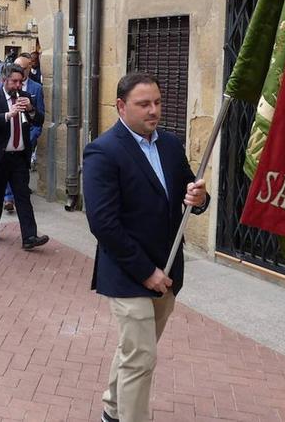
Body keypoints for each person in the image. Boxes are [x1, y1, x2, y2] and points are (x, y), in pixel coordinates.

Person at [82, 72, 209, 422]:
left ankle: (111, 406)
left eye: (157, 102)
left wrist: (199, 198)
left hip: (167, 270)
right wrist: (145, 272)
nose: (153, 111)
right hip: (127, 272)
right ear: (121, 107)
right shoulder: (103, 151)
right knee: (142, 358)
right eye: (143, 104)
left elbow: (190, 196)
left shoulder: (169, 144)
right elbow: (103, 223)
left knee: (133, 349)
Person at [0, 63, 48, 250]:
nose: (18, 86)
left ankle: (29, 237)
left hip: (18, 157)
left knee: (23, 196)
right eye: (14, 82)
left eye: (20, 82)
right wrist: (8, 115)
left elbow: (39, 119)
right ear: (4, 80)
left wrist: (31, 108)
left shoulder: (25, 97)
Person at [3, 54, 46, 211]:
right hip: (8, 138)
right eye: (16, 66)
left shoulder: (36, 88)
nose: (18, 70)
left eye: (22, 68)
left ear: (29, 68)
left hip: (28, 136)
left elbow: (40, 116)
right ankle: (8, 198)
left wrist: (33, 134)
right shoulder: (1, 90)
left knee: (22, 174)